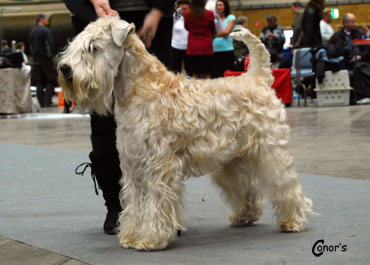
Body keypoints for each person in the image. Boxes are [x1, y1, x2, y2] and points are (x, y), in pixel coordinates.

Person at [62, 0, 175, 235]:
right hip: (91, 15)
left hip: (150, 17)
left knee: (160, 136)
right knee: (104, 128)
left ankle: (161, 216)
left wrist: (159, 9)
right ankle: (117, 207)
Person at [29, 14, 56, 108]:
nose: (47, 21)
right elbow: (51, 44)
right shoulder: (46, 30)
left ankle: (41, 103)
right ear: (42, 20)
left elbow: (31, 46)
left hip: (35, 59)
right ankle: (47, 101)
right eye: (46, 19)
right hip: (45, 58)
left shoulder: (32, 31)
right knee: (52, 79)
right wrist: (52, 55)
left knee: (39, 81)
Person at [183, 0, 215, 79]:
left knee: (195, 74)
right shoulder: (209, 13)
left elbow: (186, 27)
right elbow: (213, 29)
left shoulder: (187, 14)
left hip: (193, 48)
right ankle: (207, 91)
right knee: (207, 74)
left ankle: (195, 91)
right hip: (206, 48)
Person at [212, 0, 235, 78]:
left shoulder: (230, 18)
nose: (218, 7)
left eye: (220, 5)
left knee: (229, 75)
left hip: (227, 50)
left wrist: (214, 35)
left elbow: (226, 32)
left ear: (225, 7)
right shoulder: (213, 19)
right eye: (217, 5)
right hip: (215, 50)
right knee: (215, 76)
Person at [169, 0, 190, 74]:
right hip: (176, 47)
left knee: (189, 71)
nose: (184, 6)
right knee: (175, 71)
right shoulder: (177, 15)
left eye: (186, 4)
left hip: (189, 47)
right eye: (181, 4)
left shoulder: (192, 15)